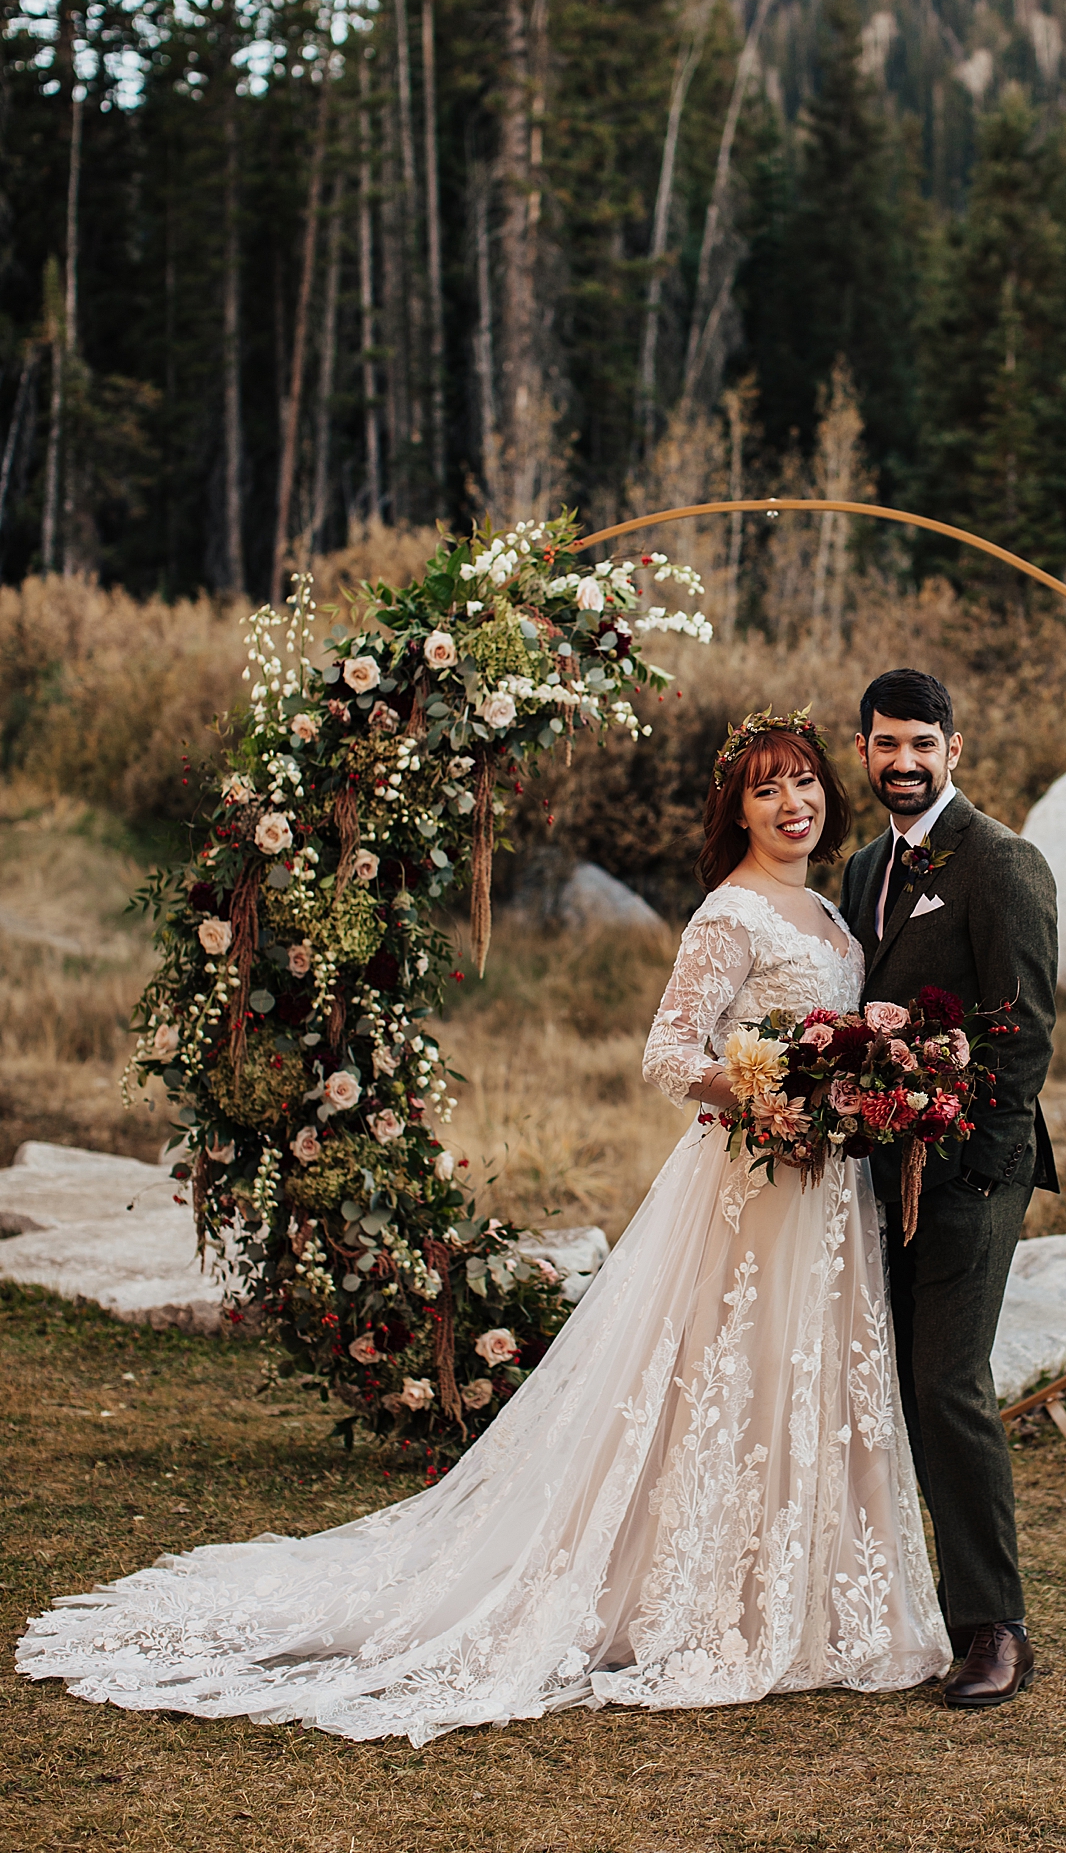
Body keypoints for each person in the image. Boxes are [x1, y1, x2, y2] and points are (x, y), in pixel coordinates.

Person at [17, 711, 949, 1745]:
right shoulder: (731, 914)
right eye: (769, 789)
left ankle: (812, 1601)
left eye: (808, 783)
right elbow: (667, 1052)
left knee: (803, 1377)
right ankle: (694, 1596)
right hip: (753, 1182)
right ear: (735, 809)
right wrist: (760, 1095)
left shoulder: (826, 906)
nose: (795, 805)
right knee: (730, 1376)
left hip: (826, 1196)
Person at [840, 669, 1059, 1710]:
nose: (903, 762)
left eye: (920, 743)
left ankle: (993, 1627)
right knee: (885, 1383)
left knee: (947, 1387)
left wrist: (969, 1159)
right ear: (865, 750)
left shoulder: (1002, 862)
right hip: (877, 1167)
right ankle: (901, 1605)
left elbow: (1024, 1032)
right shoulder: (860, 868)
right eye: (886, 744)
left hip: (974, 1167)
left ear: (954, 749)